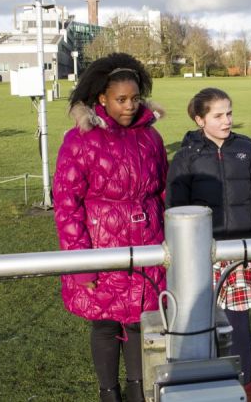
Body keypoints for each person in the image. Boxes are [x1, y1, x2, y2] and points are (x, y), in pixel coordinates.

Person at [53, 53, 167, 402]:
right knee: (104, 323)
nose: (129, 106)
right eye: (121, 100)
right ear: (102, 98)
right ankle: (108, 394)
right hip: (102, 247)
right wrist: (82, 264)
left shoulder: (151, 138)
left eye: (134, 99)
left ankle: (137, 391)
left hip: (147, 243)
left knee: (139, 321)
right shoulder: (79, 140)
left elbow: (163, 190)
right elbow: (67, 205)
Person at [166, 87, 251, 402]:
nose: (227, 120)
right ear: (200, 119)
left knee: (238, 329)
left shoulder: (247, 150)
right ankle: (202, 389)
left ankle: (244, 389)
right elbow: (174, 208)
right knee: (199, 329)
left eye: (229, 113)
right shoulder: (186, 156)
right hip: (199, 256)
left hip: (240, 253)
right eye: (218, 115)